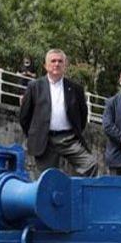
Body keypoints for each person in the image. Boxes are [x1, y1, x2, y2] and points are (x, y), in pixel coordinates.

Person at [18, 49, 98, 177]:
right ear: (45, 65)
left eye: (60, 61)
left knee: (90, 165)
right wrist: (35, 134)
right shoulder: (35, 87)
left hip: (69, 139)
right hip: (45, 139)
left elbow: (82, 115)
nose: (56, 64)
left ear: (65, 65)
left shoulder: (75, 89)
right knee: (47, 178)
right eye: (53, 61)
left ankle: (78, 194)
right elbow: (24, 116)